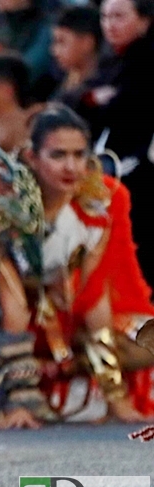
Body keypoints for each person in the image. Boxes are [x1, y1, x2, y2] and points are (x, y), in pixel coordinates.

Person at [0, 104, 154, 430]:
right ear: (32, 157)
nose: (71, 166)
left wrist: (118, 397)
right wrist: (19, 402)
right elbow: (10, 308)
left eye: (78, 155)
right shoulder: (3, 208)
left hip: (50, 327)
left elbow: (93, 300)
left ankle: (61, 381)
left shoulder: (93, 215)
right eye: (58, 155)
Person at [72, 0, 154, 286]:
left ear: (145, 20)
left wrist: (96, 100)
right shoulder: (113, 59)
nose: (110, 24)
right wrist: (93, 98)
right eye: (105, 17)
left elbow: (126, 108)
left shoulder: (145, 60)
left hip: (138, 173)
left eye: (119, 16)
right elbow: (79, 101)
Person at [50, 5, 102, 108]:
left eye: (61, 41)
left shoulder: (102, 89)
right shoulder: (65, 82)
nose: (54, 51)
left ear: (87, 43)